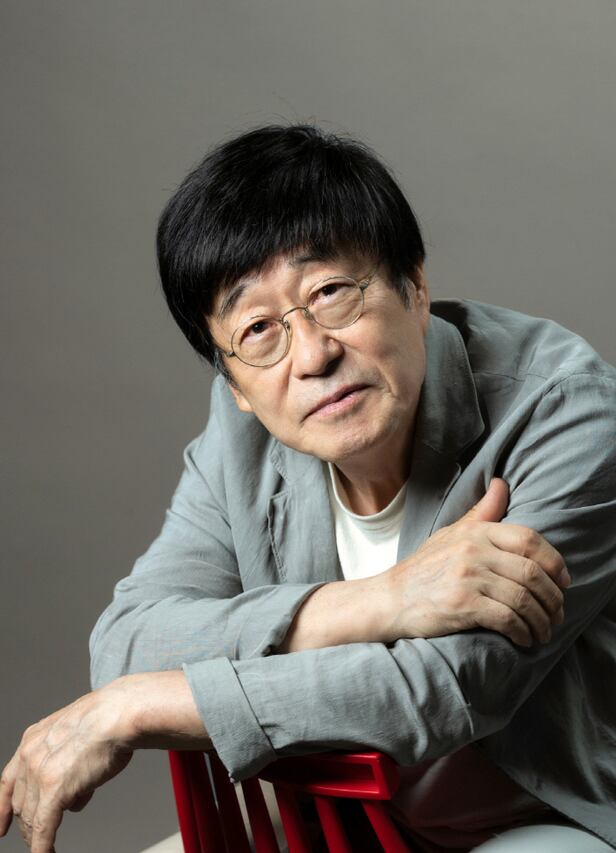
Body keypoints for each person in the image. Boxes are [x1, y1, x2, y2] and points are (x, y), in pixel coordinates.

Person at [1, 124, 615, 853]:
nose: (313, 355)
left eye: (330, 293)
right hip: (354, 823)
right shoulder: (243, 437)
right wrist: (383, 600)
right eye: (258, 328)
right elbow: (128, 642)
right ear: (233, 382)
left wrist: (136, 707)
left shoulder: (568, 413)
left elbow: (443, 689)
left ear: (415, 288)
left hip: (553, 820)